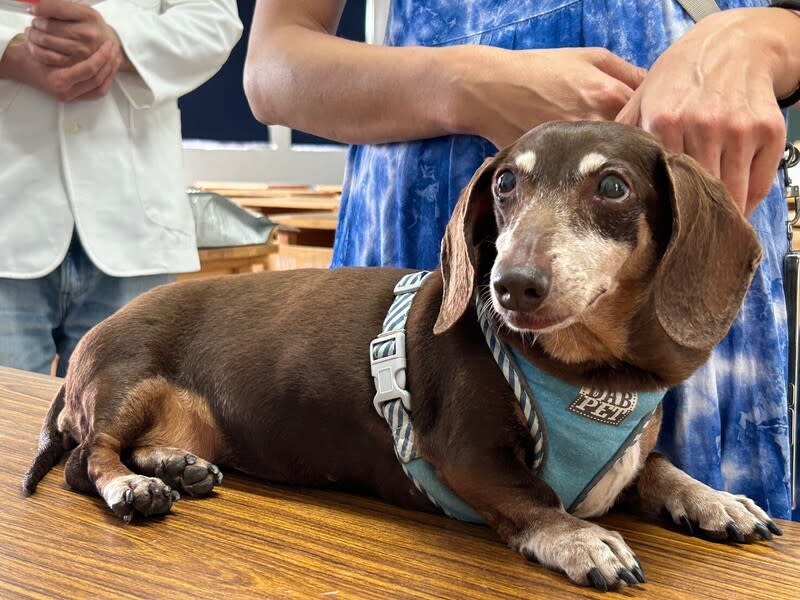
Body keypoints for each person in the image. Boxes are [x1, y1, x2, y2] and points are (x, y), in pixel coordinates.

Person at [244, 0, 800, 520]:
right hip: (445, 245)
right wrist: (461, 84)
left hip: (693, 251)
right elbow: (272, 68)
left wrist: (762, 39)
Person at [0, 0, 242, 376]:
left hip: (134, 221)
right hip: (8, 213)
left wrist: (118, 43)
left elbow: (215, 19)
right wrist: (9, 52)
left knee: (121, 428)